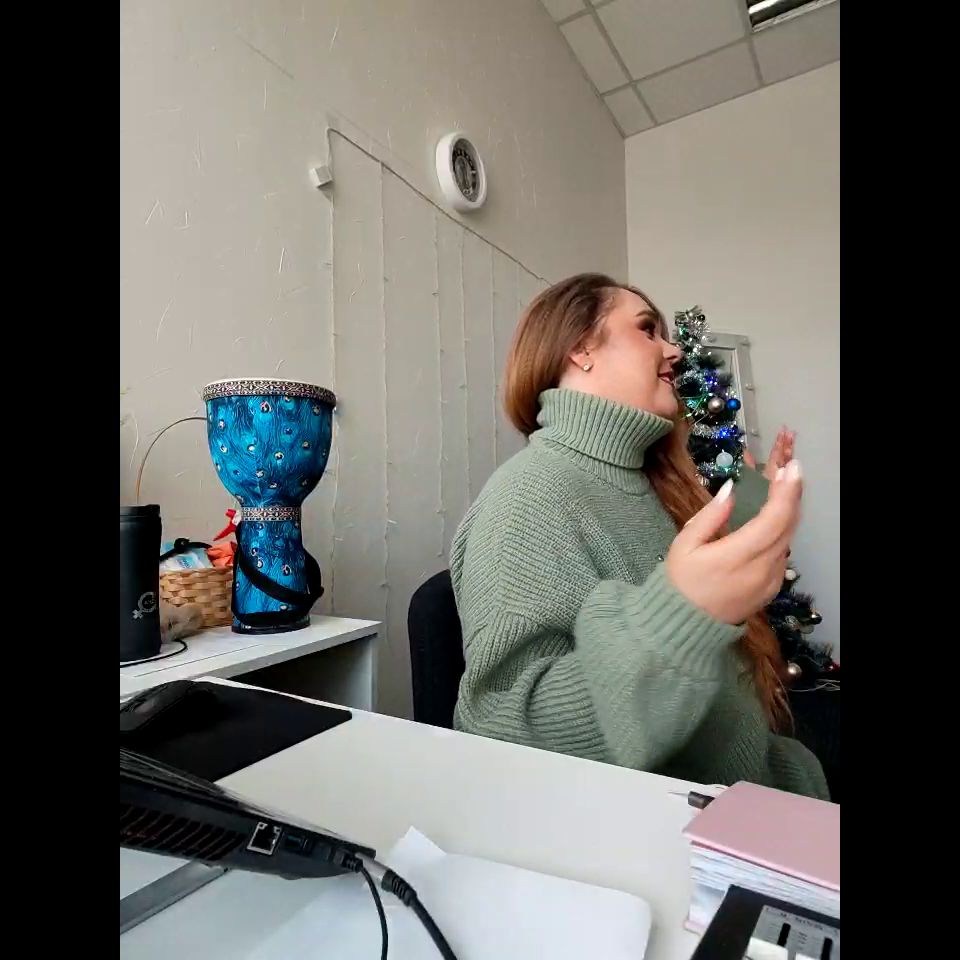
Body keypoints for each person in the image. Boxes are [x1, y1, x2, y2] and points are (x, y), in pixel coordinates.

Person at [450, 274, 828, 799]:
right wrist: (681, 618)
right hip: (683, 822)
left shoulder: (648, 477)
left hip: (759, 782)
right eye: (647, 329)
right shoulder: (528, 496)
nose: (673, 351)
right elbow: (499, 729)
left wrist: (759, 504)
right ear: (580, 347)